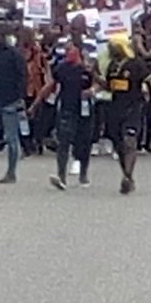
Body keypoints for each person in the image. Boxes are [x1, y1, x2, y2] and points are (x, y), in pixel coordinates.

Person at [43, 42, 95, 191]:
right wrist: (38, 103)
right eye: (66, 50)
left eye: (71, 50)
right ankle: (61, 176)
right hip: (67, 108)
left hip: (85, 110)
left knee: (84, 143)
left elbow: (98, 82)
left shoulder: (86, 69)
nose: (69, 52)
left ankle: (83, 175)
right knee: (63, 142)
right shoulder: (61, 68)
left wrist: (92, 90)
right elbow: (51, 85)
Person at [102, 35, 149, 194]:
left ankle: (127, 177)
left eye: (113, 46)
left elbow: (150, 83)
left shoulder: (136, 64)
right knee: (119, 145)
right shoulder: (112, 66)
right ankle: (126, 173)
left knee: (130, 141)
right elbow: (110, 87)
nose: (111, 50)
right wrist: (94, 75)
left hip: (133, 107)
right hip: (115, 108)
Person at [0, 25, 27, 183]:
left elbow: (22, 77)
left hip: (10, 101)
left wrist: (20, 98)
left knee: (12, 138)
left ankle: (11, 172)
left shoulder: (14, 55)